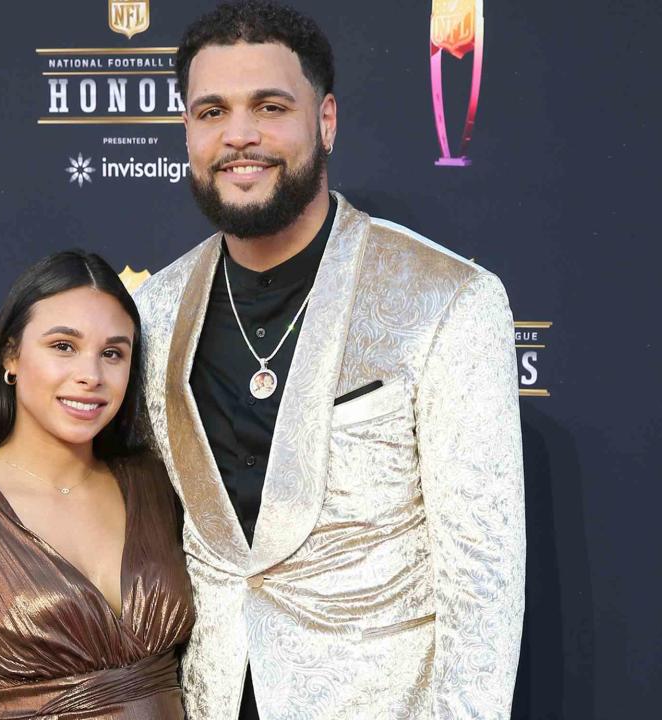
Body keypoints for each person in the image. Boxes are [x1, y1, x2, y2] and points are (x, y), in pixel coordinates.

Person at [133, 2, 525, 718]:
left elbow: (483, 583)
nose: (239, 135)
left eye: (270, 106)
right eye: (210, 111)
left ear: (327, 120)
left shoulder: (447, 301)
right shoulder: (153, 310)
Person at [0, 251, 194, 719]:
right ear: (11, 356)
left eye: (112, 353)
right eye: (63, 347)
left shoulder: (152, 482)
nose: (90, 376)